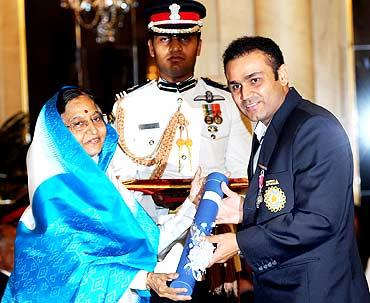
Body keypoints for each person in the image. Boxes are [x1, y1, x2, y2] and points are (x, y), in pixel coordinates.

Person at [1, 87, 203, 302]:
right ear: (58, 132)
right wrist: (145, 279)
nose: (93, 130)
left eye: (96, 118)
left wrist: (192, 204)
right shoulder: (54, 195)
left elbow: (147, 242)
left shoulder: (107, 185)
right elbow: (73, 269)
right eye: (79, 123)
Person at [207, 36, 370, 303]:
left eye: (254, 80)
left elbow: (318, 219)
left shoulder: (314, 128)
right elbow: (285, 203)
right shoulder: (269, 130)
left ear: (281, 75)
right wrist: (243, 209)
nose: (245, 95)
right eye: (235, 86)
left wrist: (239, 244)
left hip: (318, 292)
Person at [112, 2, 251, 300]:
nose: (175, 47)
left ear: (199, 45)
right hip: (153, 239)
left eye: (185, 39)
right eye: (165, 39)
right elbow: (122, 184)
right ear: (151, 47)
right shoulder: (129, 106)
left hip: (209, 237)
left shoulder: (227, 102)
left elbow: (241, 177)